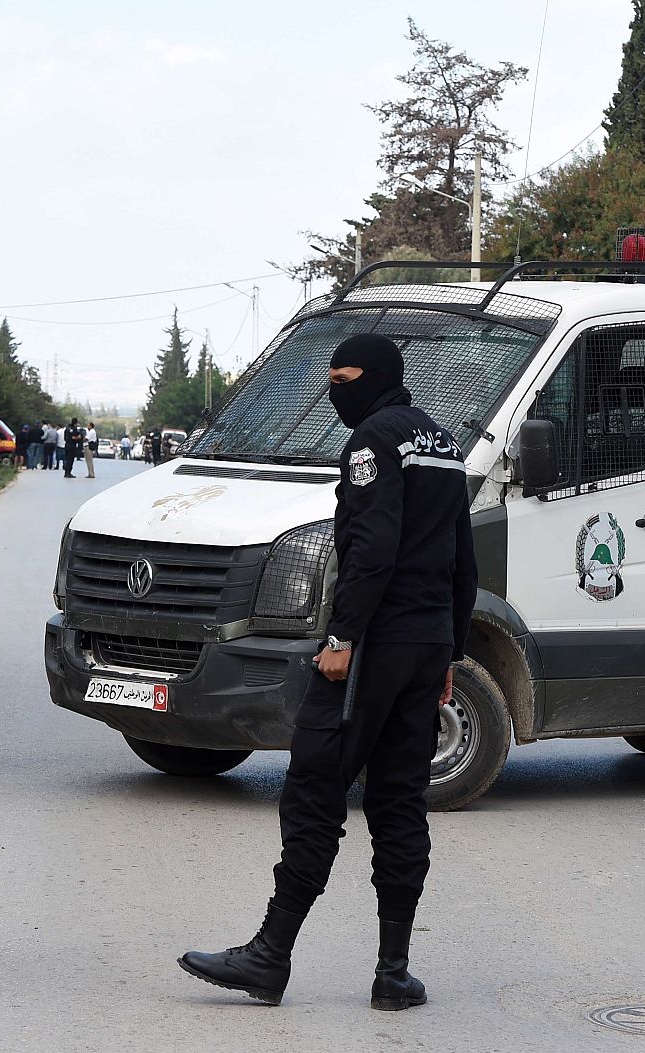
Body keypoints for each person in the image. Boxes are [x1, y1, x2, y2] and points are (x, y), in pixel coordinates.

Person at [179, 332, 476, 1010]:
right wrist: (450, 655)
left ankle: (269, 956)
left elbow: (372, 548)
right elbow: (464, 559)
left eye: (342, 376)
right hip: (426, 646)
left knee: (314, 791)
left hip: (373, 647)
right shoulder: (442, 445)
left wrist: (342, 636)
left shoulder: (371, 440)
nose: (333, 390)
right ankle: (393, 974)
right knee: (400, 802)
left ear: (372, 377)